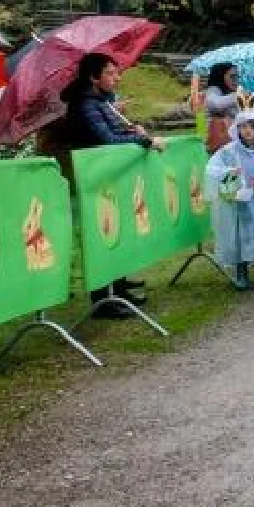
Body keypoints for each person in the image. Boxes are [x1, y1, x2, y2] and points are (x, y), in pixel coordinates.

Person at [59, 53, 162, 316]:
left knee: (115, 230)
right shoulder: (85, 105)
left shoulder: (101, 102)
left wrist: (132, 131)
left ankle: (117, 286)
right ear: (94, 77)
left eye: (117, 73)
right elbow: (106, 140)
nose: (117, 78)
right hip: (95, 181)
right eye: (110, 73)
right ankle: (103, 299)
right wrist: (142, 141)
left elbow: (116, 133)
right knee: (101, 233)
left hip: (110, 180)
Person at [205, 105, 254, 289]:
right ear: (237, 129)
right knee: (239, 236)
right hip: (239, 202)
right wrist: (229, 172)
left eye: (251, 126)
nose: (247, 131)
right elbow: (212, 168)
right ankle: (241, 273)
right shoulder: (229, 151)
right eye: (243, 127)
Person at [200, 63, 242, 153]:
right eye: (232, 77)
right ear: (221, 76)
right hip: (218, 144)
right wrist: (237, 95)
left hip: (233, 141)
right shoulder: (213, 90)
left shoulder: (231, 92)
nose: (236, 80)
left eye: (237, 77)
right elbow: (215, 104)